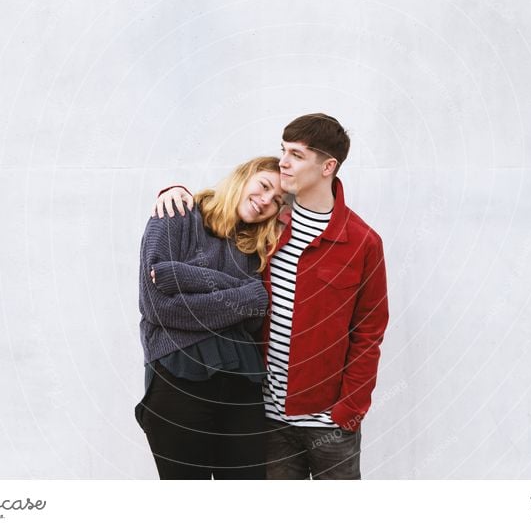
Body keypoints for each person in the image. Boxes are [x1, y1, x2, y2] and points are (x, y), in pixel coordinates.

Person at [153, 114, 389, 479]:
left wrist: (349, 411)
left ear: (328, 166)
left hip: (330, 421)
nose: (284, 161)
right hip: (263, 417)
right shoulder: (264, 229)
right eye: (283, 150)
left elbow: (369, 332)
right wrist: (176, 191)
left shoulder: (362, 242)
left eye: (296, 154)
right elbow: (220, 213)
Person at [135, 156, 285, 479]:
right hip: (178, 381)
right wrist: (245, 294)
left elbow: (255, 313)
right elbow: (157, 306)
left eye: (277, 202)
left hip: (242, 387)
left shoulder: (253, 246)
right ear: (243, 177)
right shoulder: (175, 215)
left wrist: (179, 276)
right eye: (264, 186)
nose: (265, 202)